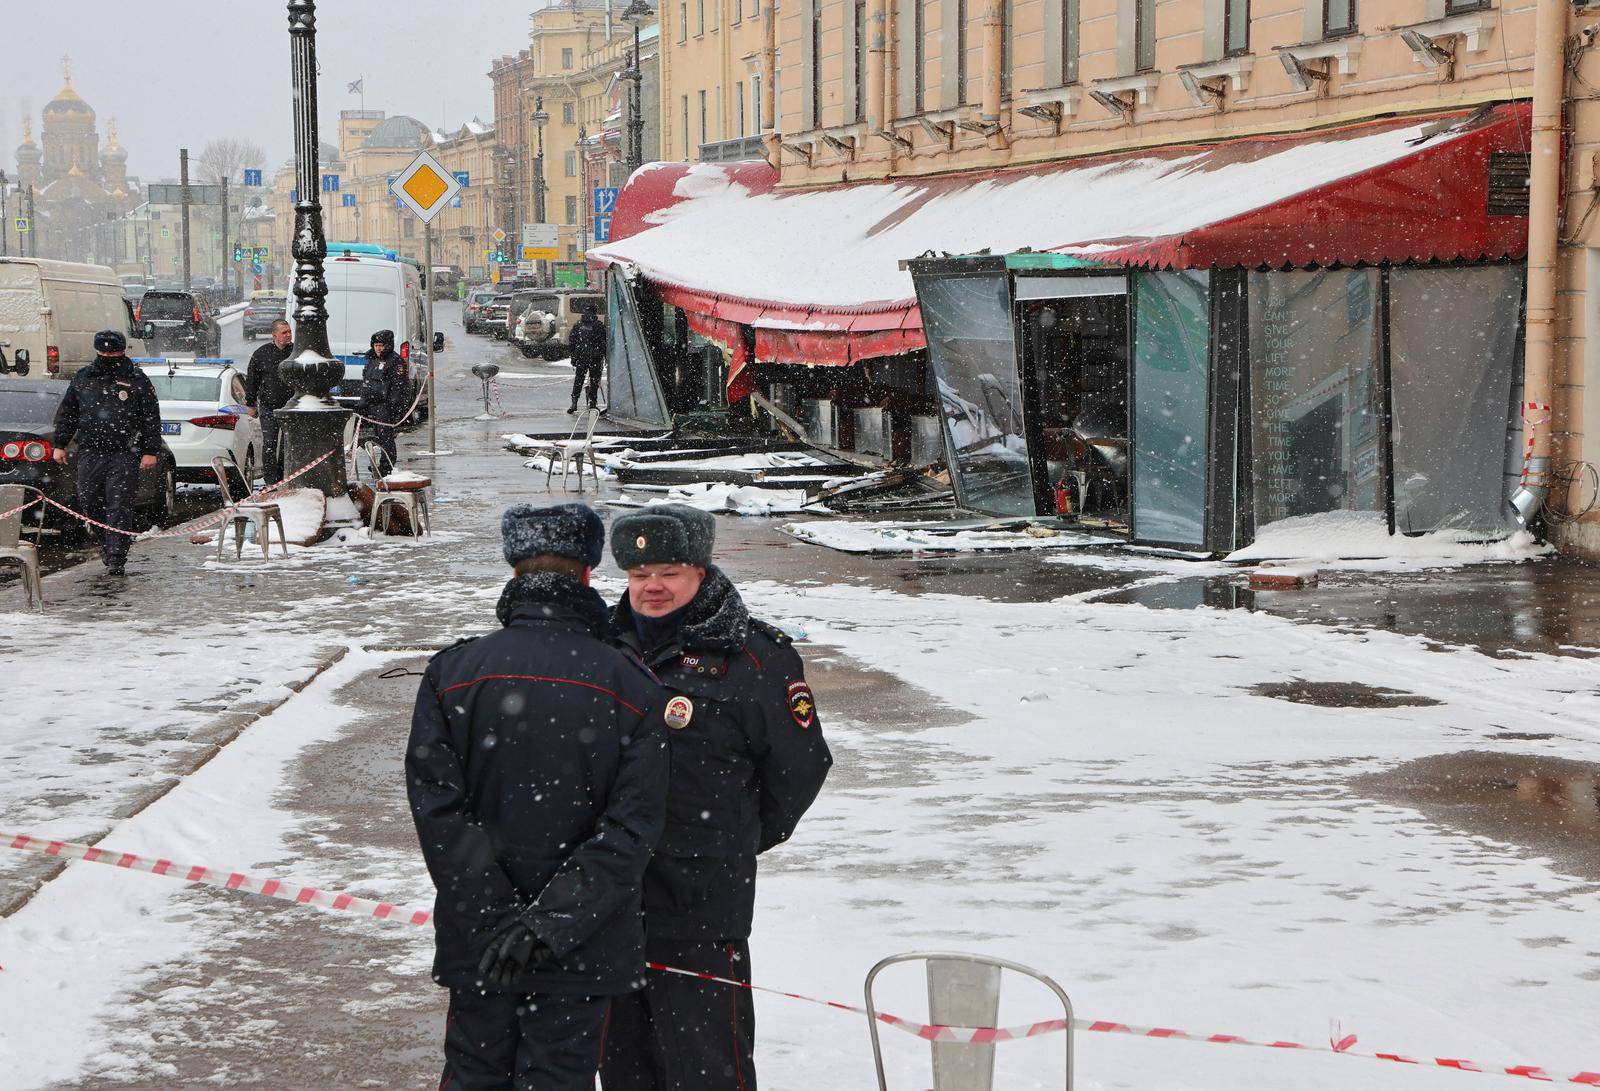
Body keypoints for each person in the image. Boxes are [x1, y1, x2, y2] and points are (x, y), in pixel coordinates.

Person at [407, 503, 670, 1091]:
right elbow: (632, 827)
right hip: (583, 945)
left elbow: (438, 812)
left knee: (474, 1073)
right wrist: (548, 927)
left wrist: (502, 920)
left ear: (515, 570)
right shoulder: (629, 683)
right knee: (559, 1078)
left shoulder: (454, 672)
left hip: (482, 941)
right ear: (586, 574)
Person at [599, 504, 832, 1091]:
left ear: (702, 571)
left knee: (709, 1067)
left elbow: (800, 769)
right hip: (608, 897)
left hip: (701, 903)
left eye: (669, 571)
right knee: (625, 1066)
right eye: (638, 573)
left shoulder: (756, 658)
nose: (652, 586)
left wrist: (730, 840)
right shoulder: (599, 647)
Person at [50, 330, 163, 577]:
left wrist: (150, 451)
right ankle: (107, 542)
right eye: (104, 352)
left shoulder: (136, 379)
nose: (108, 356)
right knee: (89, 500)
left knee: (119, 504)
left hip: (125, 451)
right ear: (97, 351)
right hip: (90, 450)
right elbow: (69, 413)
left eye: (113, 352)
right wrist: (60, 444)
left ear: (122, 351)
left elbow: (151, 418)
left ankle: (116, 556)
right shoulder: (84, 377)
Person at [243, 318, 294, 485]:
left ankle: (284, 478)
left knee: (287, 445)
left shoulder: (295, 353)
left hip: (291, 407)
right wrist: (251, 404)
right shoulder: (262, 354)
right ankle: (271, 482)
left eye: (289, 331)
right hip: (269, 406)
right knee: (270, 444)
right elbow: (252, 381)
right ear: (274, 335)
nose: (288, 335)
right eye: (284, 333)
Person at [355, 329, 410, 468]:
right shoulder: (372, 359)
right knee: (376, 437)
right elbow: (367, 382)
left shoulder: (395, 362)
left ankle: (386, 466)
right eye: (376, 345)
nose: (378, 348)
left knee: (386, 438)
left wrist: (394, 408)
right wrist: (363, 402)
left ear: (388, 345)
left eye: (381, 345)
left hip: (385, 406)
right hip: (371, 404)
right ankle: (378, 465)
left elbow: (399, 388)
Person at [566, 300, 605, 415]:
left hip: (581, 357)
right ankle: (592, 404)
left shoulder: (578, 324)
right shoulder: (598, 325)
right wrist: (603, 354)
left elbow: (572, 341)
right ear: (595, 313)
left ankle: (574, 403)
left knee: (579, 380)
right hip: (595, 358)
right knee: (594, 381)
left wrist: (573, 356)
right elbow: (603, 343)